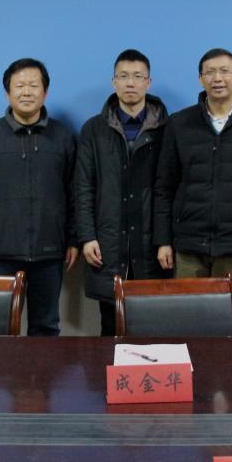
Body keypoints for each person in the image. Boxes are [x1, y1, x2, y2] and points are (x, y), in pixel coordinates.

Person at [154, 47, 232, 311]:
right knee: (188, 318)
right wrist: (163, 241)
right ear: (201, 79)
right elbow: (164, 187)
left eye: (224, 71)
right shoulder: (180, 123)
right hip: (189, 244)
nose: (217, 78)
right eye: (210, 72)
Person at [0, 58, 78, 336]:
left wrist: (74, 239)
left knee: (46, 327)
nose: (27, 92)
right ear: (8, 93)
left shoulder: (63, 136)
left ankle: (42, 368)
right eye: (20, 86)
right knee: (2, 327)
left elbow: (74, 192)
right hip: (2, 252)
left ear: (45, 92)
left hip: (50, 251)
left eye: (33, 85)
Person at [75, 49, 170, 336]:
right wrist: (87, 236)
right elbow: (83, 186)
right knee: (110, 328)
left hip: (151, 244)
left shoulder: (167, 129)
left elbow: (172, 189)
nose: (130, 83)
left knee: (153, 329)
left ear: (148, 82)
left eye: (138, 76)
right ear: (113, 81)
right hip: (107, 244)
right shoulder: (94, 129)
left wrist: (166, 239)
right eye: (123, 76)